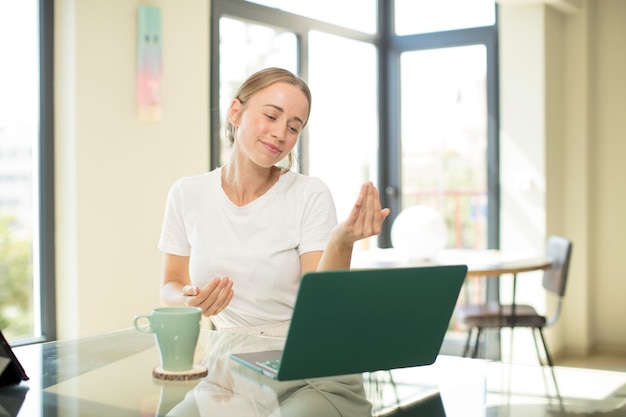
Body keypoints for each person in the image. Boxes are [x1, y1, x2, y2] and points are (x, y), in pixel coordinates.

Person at [158, 67, 390, 336]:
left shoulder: (309, 194)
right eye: (270, 116)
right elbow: (170, 284)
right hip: (225, 349)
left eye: (293, 127)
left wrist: (341, 241)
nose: (281, 134)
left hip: (298, 345)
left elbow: (321, 307)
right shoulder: (187, 193)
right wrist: (187, 300)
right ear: (235, 112)